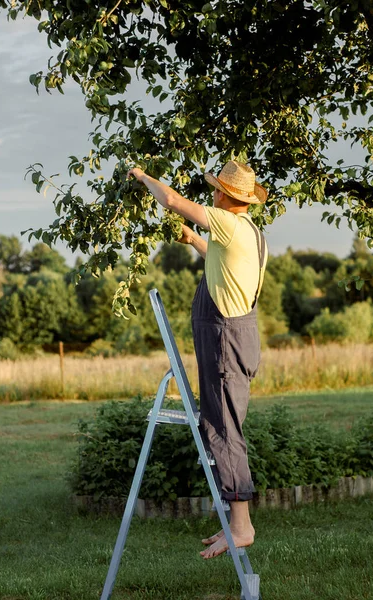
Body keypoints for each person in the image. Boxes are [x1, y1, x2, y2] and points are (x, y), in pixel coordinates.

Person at [127, 160, 268, 560]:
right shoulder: (250, 234)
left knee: (224, 429)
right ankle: (236, 523)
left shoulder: (226, 220)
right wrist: (191, 239)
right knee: (223, 424)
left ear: (225, 195)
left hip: (226, 338)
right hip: (239, 336)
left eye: (216, 189)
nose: (213, 194)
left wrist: (141, 176)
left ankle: (240, 527)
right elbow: (220, 259)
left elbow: (171, 199)